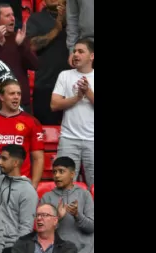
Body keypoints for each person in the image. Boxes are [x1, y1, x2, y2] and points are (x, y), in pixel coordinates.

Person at [0, 81, 45, 188]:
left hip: (21, 183)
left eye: (18, 94)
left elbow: (38, 158)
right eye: (12, 93)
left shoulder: (32, 122)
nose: (16, 97)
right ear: (1, 97)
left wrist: (34, 186)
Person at [51, 39, 95, 188]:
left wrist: (88, 93)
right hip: (68, 139)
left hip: (93, 140)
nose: (76, 54)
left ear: (92, 56)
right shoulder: (65, 75)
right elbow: (54, 104)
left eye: (81, 51)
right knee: (64, 185)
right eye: (74, 51)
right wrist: (77, 97)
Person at [25, 0, 69, 126]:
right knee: (45, 130)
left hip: (74, 85)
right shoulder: (36, 18)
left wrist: (66, 19)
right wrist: (55, 30)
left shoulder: (76, 18)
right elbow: (31, 45)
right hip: (46, 84)